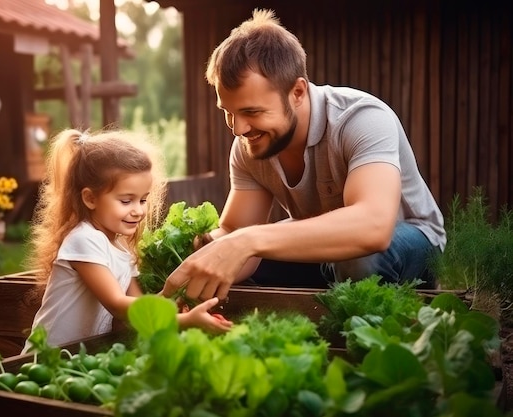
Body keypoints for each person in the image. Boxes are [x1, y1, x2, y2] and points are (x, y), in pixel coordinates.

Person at [162, 9, 446, 302]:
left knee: (359, 257)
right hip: (322, 252)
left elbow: (373, 227)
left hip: (408, 243)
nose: (238, 129)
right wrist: (200, 253)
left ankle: (364, 340)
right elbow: (235, 230)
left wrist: (248, 240)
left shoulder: (362, 118)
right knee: (230, 261)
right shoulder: (251, 145)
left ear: (297, 92)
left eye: (252, 112)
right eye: (228, 112)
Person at [22, 128, 231, 351]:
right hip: (43, 358)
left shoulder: (121, 248)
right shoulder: (84, 239)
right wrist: (182, 322)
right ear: (90, 198)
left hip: (78, 359)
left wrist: (176, 300)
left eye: (143, 200)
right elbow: (119, 306)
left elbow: (139, 305)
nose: (138, 211)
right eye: (126, 201)